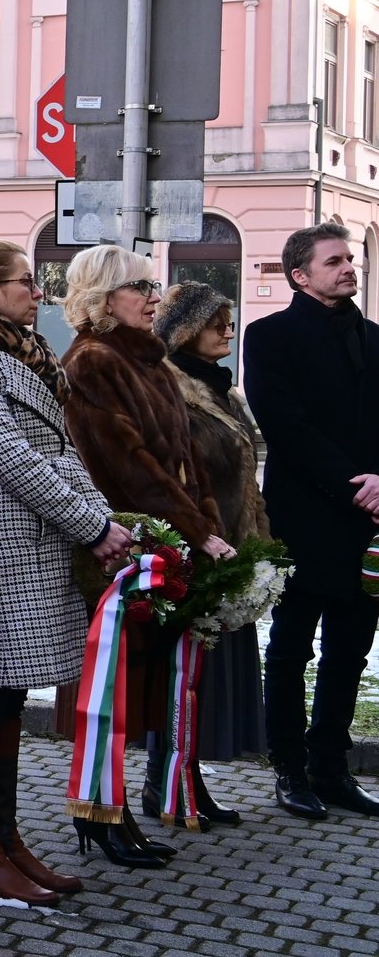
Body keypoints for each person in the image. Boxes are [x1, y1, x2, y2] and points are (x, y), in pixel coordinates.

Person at [0, 239, 127, 897]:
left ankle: (3, 841)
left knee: (6, 694)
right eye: (26, 283)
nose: (39, 293)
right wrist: (91, 524)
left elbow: (58, 452)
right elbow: (9, 458)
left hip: (37, 537)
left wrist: (99, 517)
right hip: (5, 541)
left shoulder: (14, 353)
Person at [61, 243, 230, 861]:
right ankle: (103, 813)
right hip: (126, 550)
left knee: (146, 689)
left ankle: (122, 808)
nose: (155, 296)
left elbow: (186, 460)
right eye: (140, 285)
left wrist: (205, 519)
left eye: (153, 284)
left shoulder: (152, 360)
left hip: (170, 540)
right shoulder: (94, 361)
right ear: (106, 298)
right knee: (115, 692)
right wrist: (191, 527)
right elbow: (130, 466)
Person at [245, 223, 379, 819]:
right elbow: (285, 425)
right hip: (303, 517)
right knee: (292, 647)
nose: (349, 267)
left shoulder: (375, 337)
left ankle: (331, 767)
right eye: (335, 261)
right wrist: (355, 483)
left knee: (351, 648)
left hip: (369, 521)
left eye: (350, 259)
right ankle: (290, 770)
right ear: (301, 275)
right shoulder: (269, 335)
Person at [154, 281, 269, 824]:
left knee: (210, 673)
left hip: (232, 547)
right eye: (214, 321)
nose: (227, 328)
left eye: (228, 319)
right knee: (187, 671)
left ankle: (188, 775)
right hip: (199, 549)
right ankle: (167, 780)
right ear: (183, 332)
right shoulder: (170, 387)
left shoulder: (222, 387)